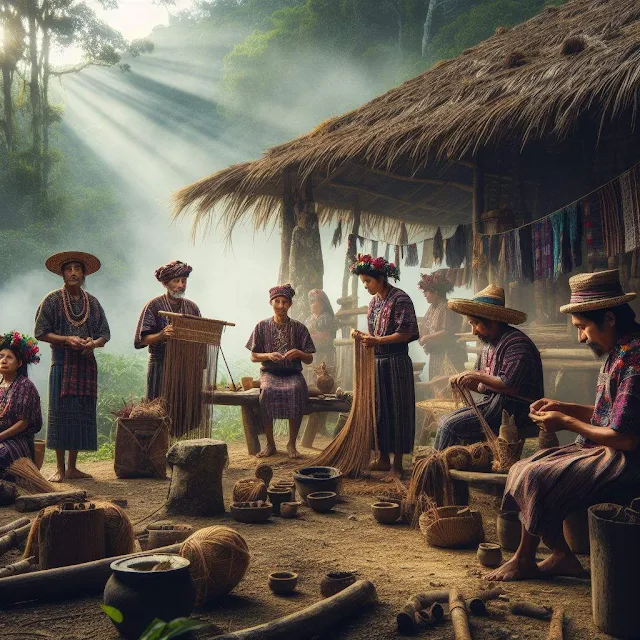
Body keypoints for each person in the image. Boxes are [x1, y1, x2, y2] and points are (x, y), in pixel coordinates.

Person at [486, 269, 640, 582]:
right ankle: (560, 554)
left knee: (537, 475)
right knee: (525, 466)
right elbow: (609, 413)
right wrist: (563, 406)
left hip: (625, 459)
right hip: (605, 448)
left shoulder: (635, 358)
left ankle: (526, 558)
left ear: (609, 318)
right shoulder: (619, 351)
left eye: (583, 327)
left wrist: (566, 421)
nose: (581, 337)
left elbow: (625, 438)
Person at [434, 284, 543, 450]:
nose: (473, 332)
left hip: (515, 410)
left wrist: (475, 375)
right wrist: (462, 380)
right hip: (494, 405)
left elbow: (509, 385)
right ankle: (446, 468)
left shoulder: (516, 344)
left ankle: (439, 471)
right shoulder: (488, 345)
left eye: (475, 324)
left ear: (491, 321)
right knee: (444, 422)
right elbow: (482, 386)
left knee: (450, 427)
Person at [35, 251, 110, 482]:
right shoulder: (52, 300)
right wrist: (66, 340)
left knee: (79, 413)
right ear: (62, 273)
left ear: (84, 273)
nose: (74, 272)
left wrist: (92, 343)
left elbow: (104, 334)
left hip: (85, 364)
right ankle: (59, 467)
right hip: (61, 363)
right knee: (60, 413)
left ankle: (73, 468)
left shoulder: (93, 302)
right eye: (69, 269)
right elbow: (40, 333)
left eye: (78, 268)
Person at [351, 254, 419, 479]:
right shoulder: (374, 303)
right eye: (363, 282)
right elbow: (374, 334)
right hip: (378, 362)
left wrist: (378, 341)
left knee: (398, 410)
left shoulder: (401, 299)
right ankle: (381, 457)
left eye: (368, 281)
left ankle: (397, 464)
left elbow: (407, 333)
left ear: (381, 278)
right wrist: (363, 337)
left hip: (397, 362)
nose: (366, 286)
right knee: (379, 409)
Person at [246, 284, 315, 458]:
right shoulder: (261, 326)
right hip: (270, 374)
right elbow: (253, 356)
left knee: (297, 390)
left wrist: (299, 353)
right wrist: (269, 356)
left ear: (290, 304)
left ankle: (291, 444)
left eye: (285, 302)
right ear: (271, 303)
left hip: (293, 374)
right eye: (277, 301)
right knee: (267, 392)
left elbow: (310, 358)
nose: (281, 305)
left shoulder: (299, 328)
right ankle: (270, 444)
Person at [134, 261, 201, 399]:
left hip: (186, 369)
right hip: (160, 366)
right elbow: (141, 340)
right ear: (165, 284)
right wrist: (161, 335)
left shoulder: (192, 308)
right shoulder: (154, 306)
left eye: (184, 281)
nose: (181, 285)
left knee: (185, 410)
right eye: (176, 281)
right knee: (158, 410)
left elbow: (200, 340)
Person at [0, 332, 42, 475]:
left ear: (19, 363)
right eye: (1, 356)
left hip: (18, 441)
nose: (4, 360)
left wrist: (0, 437)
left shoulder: (25, 386)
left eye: (9, 357)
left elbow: (23, 423)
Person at [418, 270, 467, 381]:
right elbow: (427, 325)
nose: (425, 295)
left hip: (449, 354)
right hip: (436, 353)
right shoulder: (432, 307)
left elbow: (448, 332)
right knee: (436, 386)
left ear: (435, 292)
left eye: (427, 292)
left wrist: (427, 338)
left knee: (447, 387)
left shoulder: (447, 307)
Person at [305, 289, 337, 370]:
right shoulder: (309, 319)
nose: (311, 304)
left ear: (322, 303)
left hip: (324, 357)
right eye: (310, 302)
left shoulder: (326, 318)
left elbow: (325, 338)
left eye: (314, 301)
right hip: (311, 357)